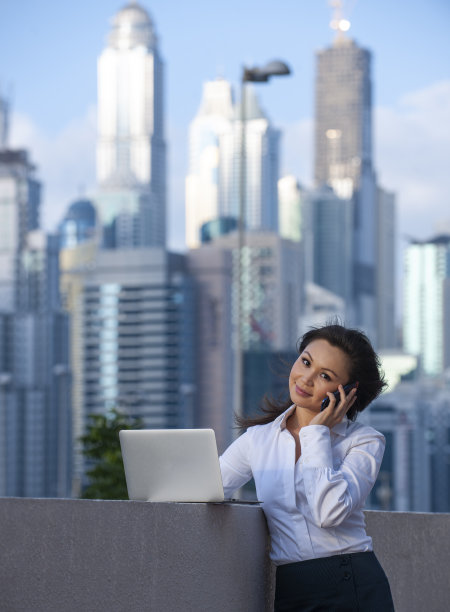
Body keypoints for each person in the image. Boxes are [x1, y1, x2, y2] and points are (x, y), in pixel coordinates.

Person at [219, 323, 395, 611]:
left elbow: (329, 512)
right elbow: (209, 485)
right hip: (292, 586)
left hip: (352, 583)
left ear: (347, 391)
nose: (306, 378)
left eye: (325, 375)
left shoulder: (364, 442)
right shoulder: (258, 440)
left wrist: (316, 434)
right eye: (306, 362)